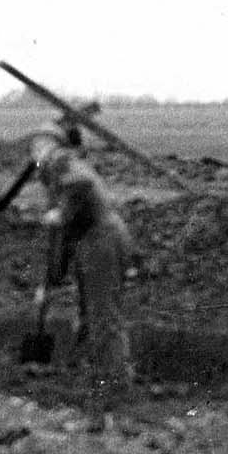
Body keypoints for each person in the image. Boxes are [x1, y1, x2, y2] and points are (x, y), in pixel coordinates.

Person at [29, 122, 136, 390]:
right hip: (95, 242)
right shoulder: (56, 173)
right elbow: (62, 241)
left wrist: (61, 214)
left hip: (103, 241)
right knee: (92, 313)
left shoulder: (62, 163)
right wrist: (50, 282)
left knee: (102, 314)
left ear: (50, 145)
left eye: (38, 145)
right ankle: (98, 372)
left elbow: (83, 184)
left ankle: (114, 381)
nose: (35, 153)